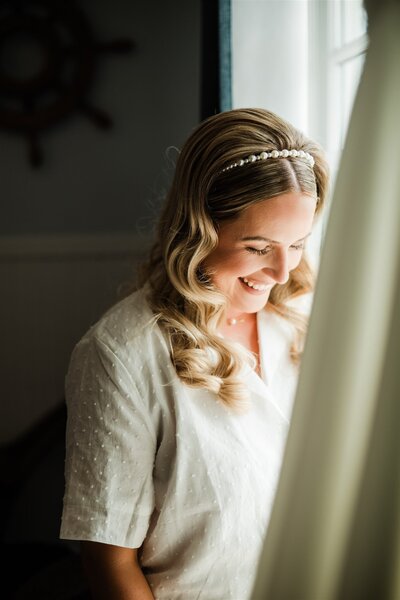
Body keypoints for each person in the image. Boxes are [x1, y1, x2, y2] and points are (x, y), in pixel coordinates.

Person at [60, 108, 329, 599]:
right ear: (199, 226)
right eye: (257, 246)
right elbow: (109, 559)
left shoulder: (309, 320)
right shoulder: (121, 352)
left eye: (298, 243)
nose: (282, 271)